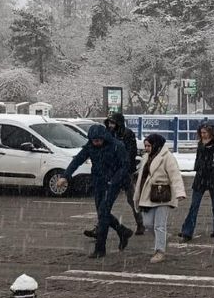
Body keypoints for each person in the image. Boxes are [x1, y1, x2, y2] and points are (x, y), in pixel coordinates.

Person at [63, 124, 132, 259]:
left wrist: (114, 180)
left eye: (99, 140)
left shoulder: (117, 145)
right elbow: (77, 160)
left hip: (113, 184)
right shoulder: (90, 146)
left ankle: (100, 249)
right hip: (98, 183)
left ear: (104, 137)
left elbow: (125, 166)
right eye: (94, 141)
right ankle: (122, 231)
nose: (97, 143)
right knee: (102, 214)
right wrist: (65, 175)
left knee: (103, 213)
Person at [84, 112, 144, 239]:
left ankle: (140, 223)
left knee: (132, 199)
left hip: (125, 173)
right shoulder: (107, 134)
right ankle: (100, 228)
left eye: (113, 122)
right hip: (111, 175)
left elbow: (130, 154)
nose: (111, 125)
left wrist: (124, 169)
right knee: (105, 204)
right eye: (109, 122)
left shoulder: (127, 134)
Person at [135, 133, 186, 263]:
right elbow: (141, 178)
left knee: (159, 225)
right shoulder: (146, 157)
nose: (146, 148)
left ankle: (159, 251)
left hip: (163, 195)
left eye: (148, 145)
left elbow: (175, 175)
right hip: (148, 195)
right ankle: (162, 238)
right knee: (148, 224)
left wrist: (180, 192)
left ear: (155, 145)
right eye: (145, 145)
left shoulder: (167, 157)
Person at [180, 125, 214, 241]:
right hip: (200, 177)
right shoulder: (200, 144)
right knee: (194, 205)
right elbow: (198, 158)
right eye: (201, 133)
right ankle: (187, 231)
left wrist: (213, 164)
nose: (203, 135)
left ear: (211, 133)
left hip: (213, 176)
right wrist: (198, 167)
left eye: (205, 132)